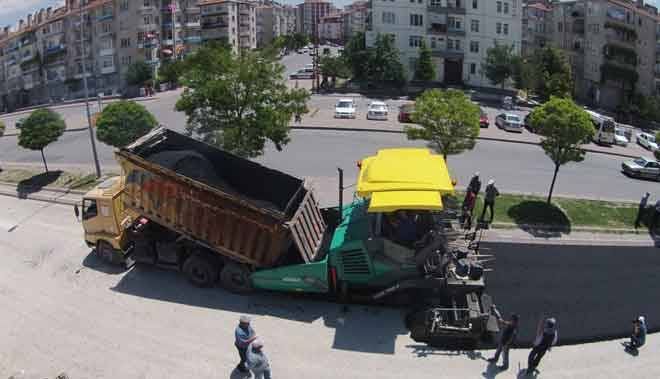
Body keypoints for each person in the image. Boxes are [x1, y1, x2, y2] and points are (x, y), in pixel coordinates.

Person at [487, 306, 519, 370]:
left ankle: (505, 366)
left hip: (506, 343)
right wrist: (495, 310)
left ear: (514, 321)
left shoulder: (513, 329)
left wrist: (507, 344)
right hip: (503, 340)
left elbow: (512, 338)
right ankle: (495, 359)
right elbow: (500, 319)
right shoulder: (510, 324)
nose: (510, 319)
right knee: (498, 350)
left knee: (505, 355)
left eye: (512, 319)